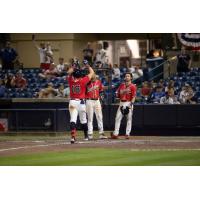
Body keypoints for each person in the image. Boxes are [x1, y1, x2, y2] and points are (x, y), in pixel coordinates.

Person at [66, 64, 94, 144]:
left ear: (74, 76)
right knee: (83, 120)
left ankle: (73, 137)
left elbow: (69, 72)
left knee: (73, 119)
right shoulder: (82, 80)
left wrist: (74, 66)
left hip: (72, 102)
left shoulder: (71, 80)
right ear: (80, 76)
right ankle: (85, 136)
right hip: (81, 103)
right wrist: (88, 66)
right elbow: (92, 73)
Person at [111, 72, 137, 139]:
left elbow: (134, 97)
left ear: (131, 78)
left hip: (128, 103)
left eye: (128, 76)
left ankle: (127, 134)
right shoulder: (121, 85)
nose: (127, 77)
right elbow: (118, 94)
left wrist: (130, 105)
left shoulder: (133, 86)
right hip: (121, 103)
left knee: (129, 119)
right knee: (117, 118)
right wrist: (117, 94)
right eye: (126, 76)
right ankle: (116, 133)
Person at [86, 73, 107, 140]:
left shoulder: (98, 82)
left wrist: (102, 100)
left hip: (97, 101)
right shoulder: (87, 83)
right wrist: (91, 88)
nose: (94, 77)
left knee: (100, 116)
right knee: (90, 118)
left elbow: (101, 91)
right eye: (93, 76)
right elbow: (84, 92)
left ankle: (101, 133)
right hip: (89, 101)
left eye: (94, 76)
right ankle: (90, 134)